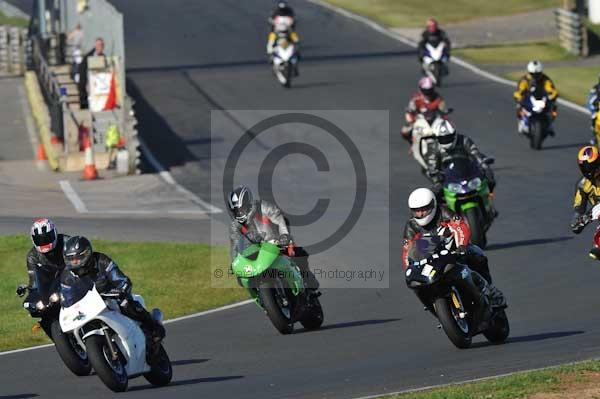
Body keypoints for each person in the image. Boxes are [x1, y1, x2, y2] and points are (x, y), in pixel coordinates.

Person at [402, 188, 505, 306]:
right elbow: (407, 250)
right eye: (416, 211)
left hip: (453, 252)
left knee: (476, 253)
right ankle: (432, 306)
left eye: (424, 209)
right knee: (415, 282)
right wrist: (409, 267)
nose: (420, 214)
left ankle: (490, 290)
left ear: (433, 205)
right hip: (430, 261)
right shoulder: (411, 226)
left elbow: (460, 227)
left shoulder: (444, 212)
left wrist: (462, 246)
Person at [59, 236, 166, 344]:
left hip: (112, 296)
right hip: (89, 308)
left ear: (87, 254)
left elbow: (120, 278)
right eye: (71, 259)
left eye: (78, 258)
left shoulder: (101, 260)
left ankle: (154, 327)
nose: (75, 262)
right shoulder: (66, 276)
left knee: (126, 304)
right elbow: (67, 300)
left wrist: (121, 289)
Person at [227, 185, 319, 292]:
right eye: (236, 211)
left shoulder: (263, 206)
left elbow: (279, 219)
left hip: (277, 240)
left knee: (297, 254)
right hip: (256, 249)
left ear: (248, 203)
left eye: (241, 209)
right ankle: (263, 297)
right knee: (243, 276)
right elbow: (235, 245)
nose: (240, 213)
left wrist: (284, 235)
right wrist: (234, 262)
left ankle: (306, 275)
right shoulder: (235, 225)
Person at [16, 219, 70, 336]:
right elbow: (34, 280)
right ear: (33, 240)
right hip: (52, 286)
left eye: (47, 238)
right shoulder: (32, 256)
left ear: (55, 233)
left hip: (72, 278)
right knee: (43, 313)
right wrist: (29, 289)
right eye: (39, 239)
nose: (44, 242)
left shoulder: (67, 242)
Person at [426, 119, 496, 196]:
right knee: (434, 196)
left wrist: (484, 166)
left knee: (490, 178)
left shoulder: (464, 140)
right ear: (437, 138)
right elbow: (431, 165)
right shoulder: (434, 147)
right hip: (447, 179)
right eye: (442, 139)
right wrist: (436, 178)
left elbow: (476, 154)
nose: (446, 141)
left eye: (448, 137)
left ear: (454, 134)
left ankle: (489, 199)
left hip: (469, 173)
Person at [513, 60, 558, 134]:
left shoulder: (545, 79)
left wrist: (553, 95)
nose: (535, 76)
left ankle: (550, 124)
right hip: (529, 99)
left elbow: (551, 89)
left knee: (554, 107)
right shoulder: (525, 80)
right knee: (518, 106)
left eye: (537, 74)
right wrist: (518, 96)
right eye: (533, 74)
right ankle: (521, 122)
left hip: (542, 98)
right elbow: (519, 90)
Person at [571, 146, 600, 259]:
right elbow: (577, 214)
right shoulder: (583, 186)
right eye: (584, 167)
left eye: (590, 166)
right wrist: (579, 222)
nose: (588, 170)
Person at [401, 76, 448, 142]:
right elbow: (409, 111)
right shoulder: (416, 99)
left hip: (435, 121)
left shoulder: (438, 99)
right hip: (420, 121)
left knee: (450, 130)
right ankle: (413, 143)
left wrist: (445, 119)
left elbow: (444, 112)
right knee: (405, 131)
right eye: (425, 91)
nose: (427, 93)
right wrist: (412, 121)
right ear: (421, 89)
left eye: (429, 91)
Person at [78, 37, 106, 110]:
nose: (100, 47)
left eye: (101, 45)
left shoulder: (104, 57)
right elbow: (83, 70)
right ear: (95, 46)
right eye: (98, 45)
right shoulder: (88, 57)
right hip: (89, 82)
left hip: (100, 84)